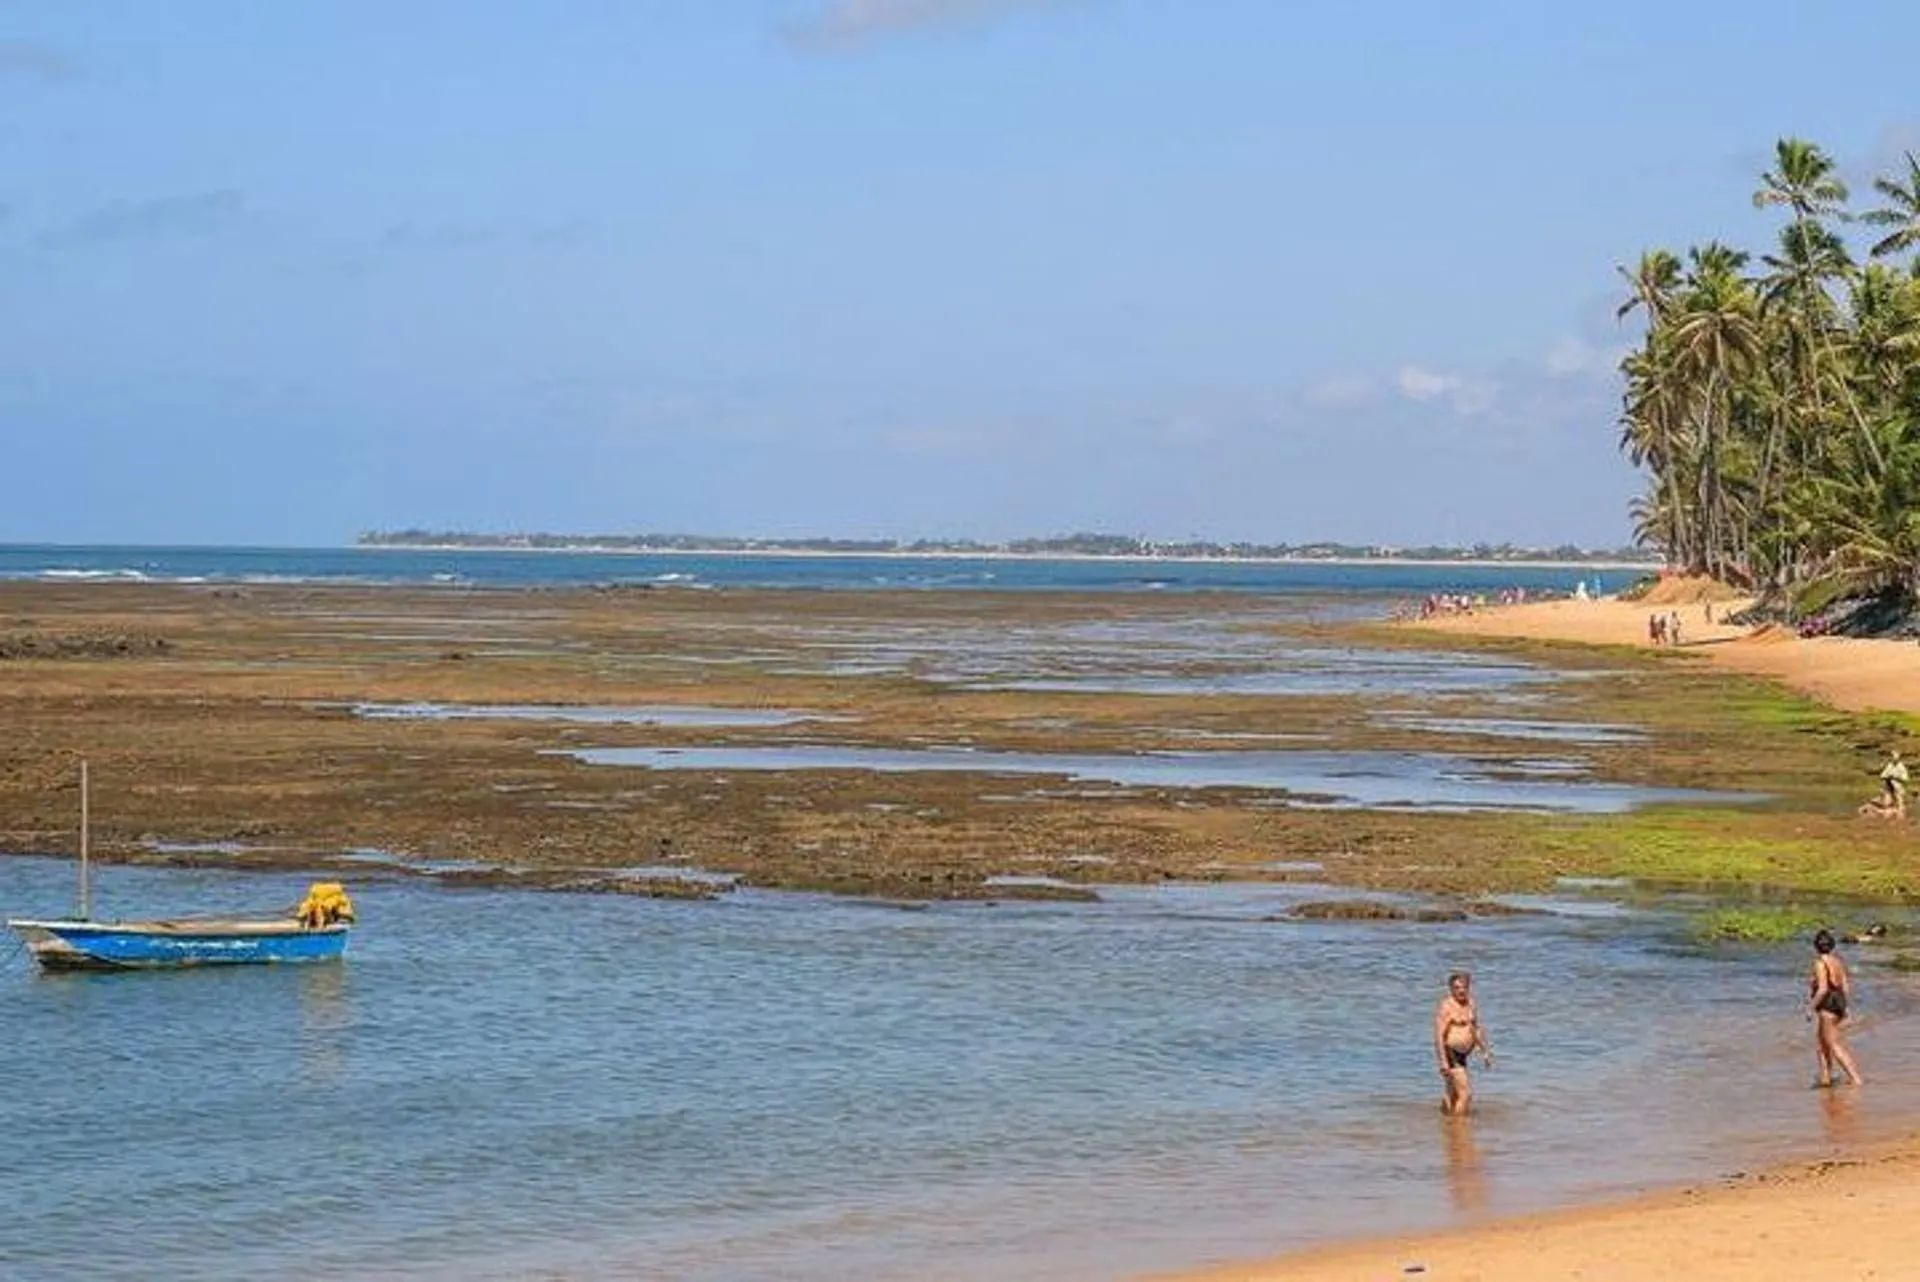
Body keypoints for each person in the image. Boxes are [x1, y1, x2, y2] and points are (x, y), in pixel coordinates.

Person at [1809, 929, 1864, 1087]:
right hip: (1838, 1002)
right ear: (1832, 946)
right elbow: (1845, 987)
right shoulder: (1837, 962)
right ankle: (1825, 1077)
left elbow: (1822, 989)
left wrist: (1810, 1008)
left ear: (1816, 946)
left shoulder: (1820, 964)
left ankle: (1855, 1078)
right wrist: (1845, 1007)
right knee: (1822, 1044)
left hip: (1827, 1005)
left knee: (1833, 1044)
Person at [1434, 971, 1493, 1115]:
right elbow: (1439, 1036)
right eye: (1457, 988)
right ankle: (1459, 1125)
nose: (1461, 991)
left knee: (1452, 1093)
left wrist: (1485, 1051)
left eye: (1464, 987)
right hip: (1451, 1052)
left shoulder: (1471, 1004)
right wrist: (1443, 1062)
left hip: (1464, 1053)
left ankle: (1446, 1121)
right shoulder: (1446, 1007)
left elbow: (1476, 1028)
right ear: (1451, 989)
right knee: (1466, 1094)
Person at [1879, 749, 1909, 819]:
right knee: (1887, 801)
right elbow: (1882, 775)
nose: (1894, 758)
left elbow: (1905, 778)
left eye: (1895, 757)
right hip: (1888, 786)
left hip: (1897, 787)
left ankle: (1900, 816)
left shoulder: (1901, 767)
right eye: (1893, 757)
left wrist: (1896, 777)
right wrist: (1887, 776)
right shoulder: (1889, 766)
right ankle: (1887, 816)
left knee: (1899, 802)